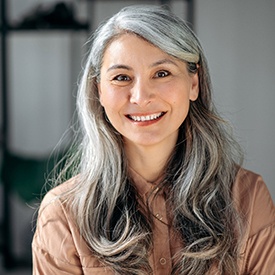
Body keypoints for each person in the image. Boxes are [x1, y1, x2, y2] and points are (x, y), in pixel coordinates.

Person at [32, 5, 275, 275]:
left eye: (162, 73)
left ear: (194, 83)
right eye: (121, 77)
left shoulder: (248, 197)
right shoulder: (62, 214)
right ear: (98, 91)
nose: (141, 96)